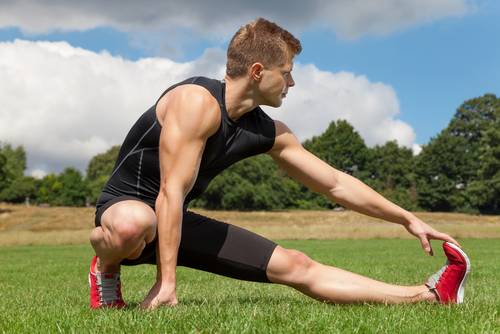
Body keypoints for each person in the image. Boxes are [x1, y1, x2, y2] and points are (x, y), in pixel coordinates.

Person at [88, 18, 470, 310]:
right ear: (258, 71)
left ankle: (429, 296)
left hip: (175, 222)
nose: (292, 82)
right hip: (127, 212)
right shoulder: (195, 102)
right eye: (286, 72)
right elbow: (171, 191)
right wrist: (166, 283)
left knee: (296, 265)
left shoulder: (268, 131)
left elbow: (334, 184)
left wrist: (407, 218)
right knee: (135, 223)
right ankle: (105, 267)